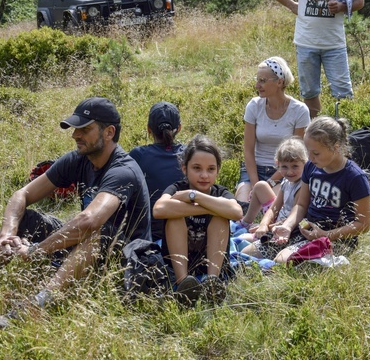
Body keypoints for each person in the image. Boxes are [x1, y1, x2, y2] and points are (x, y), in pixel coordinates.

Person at [0, 97, 151, 327]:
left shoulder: (123, 170)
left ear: (109, 132)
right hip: (87, 251)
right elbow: (22, 195)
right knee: (25, 218)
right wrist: (8, 232)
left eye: (84, 129)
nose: (75, 135)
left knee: (101, 231)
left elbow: (89, 220)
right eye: (75, 129)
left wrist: (37, 250)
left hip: (126, 262)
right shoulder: (78, 160)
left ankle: (38, 304)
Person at [265, 0, 365, 118]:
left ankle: (343, 135)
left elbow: (360, 0)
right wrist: (292, 5)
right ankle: (315, 134)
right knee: (309, 92)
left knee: (343, 93)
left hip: (334, 43)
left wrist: (343, 6)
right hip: (306, 42)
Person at [264, 115, 370, 264]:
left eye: (316, 153)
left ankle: (332, 262)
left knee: (282, 260)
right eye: (308, 151)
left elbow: (363, 224)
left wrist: (327, 235)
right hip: (307, 229)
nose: (310, 157)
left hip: (337, 239)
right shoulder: (310, 167)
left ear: (336, 147)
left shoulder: (355, 177)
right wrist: (287, 226)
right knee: (250, 251)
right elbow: (301, 205)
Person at [152, 135, 243, 305]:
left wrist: (194, 196)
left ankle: (213, 283)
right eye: (197, 168)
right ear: (184, 169)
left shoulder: (219, 192)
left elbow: (237, 212)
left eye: (210, 169)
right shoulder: (178, 189)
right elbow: (159, 209)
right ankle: (183, 284)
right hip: (179, 263)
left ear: (217, 170)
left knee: (220, 217)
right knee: (174, 218)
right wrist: (207, 206)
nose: (204, 175)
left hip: (209, 262)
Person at [235, 57, 310, 205]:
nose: (257, 85)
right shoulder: (254, 106)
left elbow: (296, 154)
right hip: (253, 170)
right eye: (257, 80)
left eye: (262, 80)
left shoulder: (299, 110)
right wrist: (256, 185)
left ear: (279, 82)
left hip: (284, 171)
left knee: (272, 208)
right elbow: (248, 150)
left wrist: (271, 182)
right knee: (242, 207)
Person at [240, 136, 307, 258]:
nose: (290, 172)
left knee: (241, 242)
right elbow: (274, 208)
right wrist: (263, 224)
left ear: (305, 163)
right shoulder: (286, 182)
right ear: (278, 164)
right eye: (284, 167)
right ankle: (245, 222)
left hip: (285, 228)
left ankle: (253, 233)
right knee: (260, 185)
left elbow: (294, 218)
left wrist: (268, 228)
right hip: (276, 220)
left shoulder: (302, 186)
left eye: (295, 166)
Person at [129, 101, 185, 242]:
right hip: (188, 233)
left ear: (149, 129)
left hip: (150, 236)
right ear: (179, 128)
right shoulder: (190, 154)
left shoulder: (138, 155)